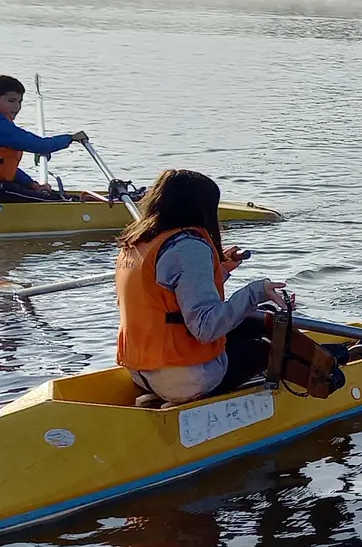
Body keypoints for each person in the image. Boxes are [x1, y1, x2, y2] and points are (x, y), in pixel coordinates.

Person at [116, 169, 286, 405]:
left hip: (140, 371)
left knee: (254, 323)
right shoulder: (189, 248)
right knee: (268, 346)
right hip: (182, 376)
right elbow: (206, 327)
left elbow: (170, 298)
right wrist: (255, 292)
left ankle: (163, 395)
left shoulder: (138, 242)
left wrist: (221, 269)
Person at [0, 75, 89, 203]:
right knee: (56, 201)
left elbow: (0, 166)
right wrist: (70, 138)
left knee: (50, 195)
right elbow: (39, 145)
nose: (17, 107)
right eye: (11, 101)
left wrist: (32, 185)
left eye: (20, 102)